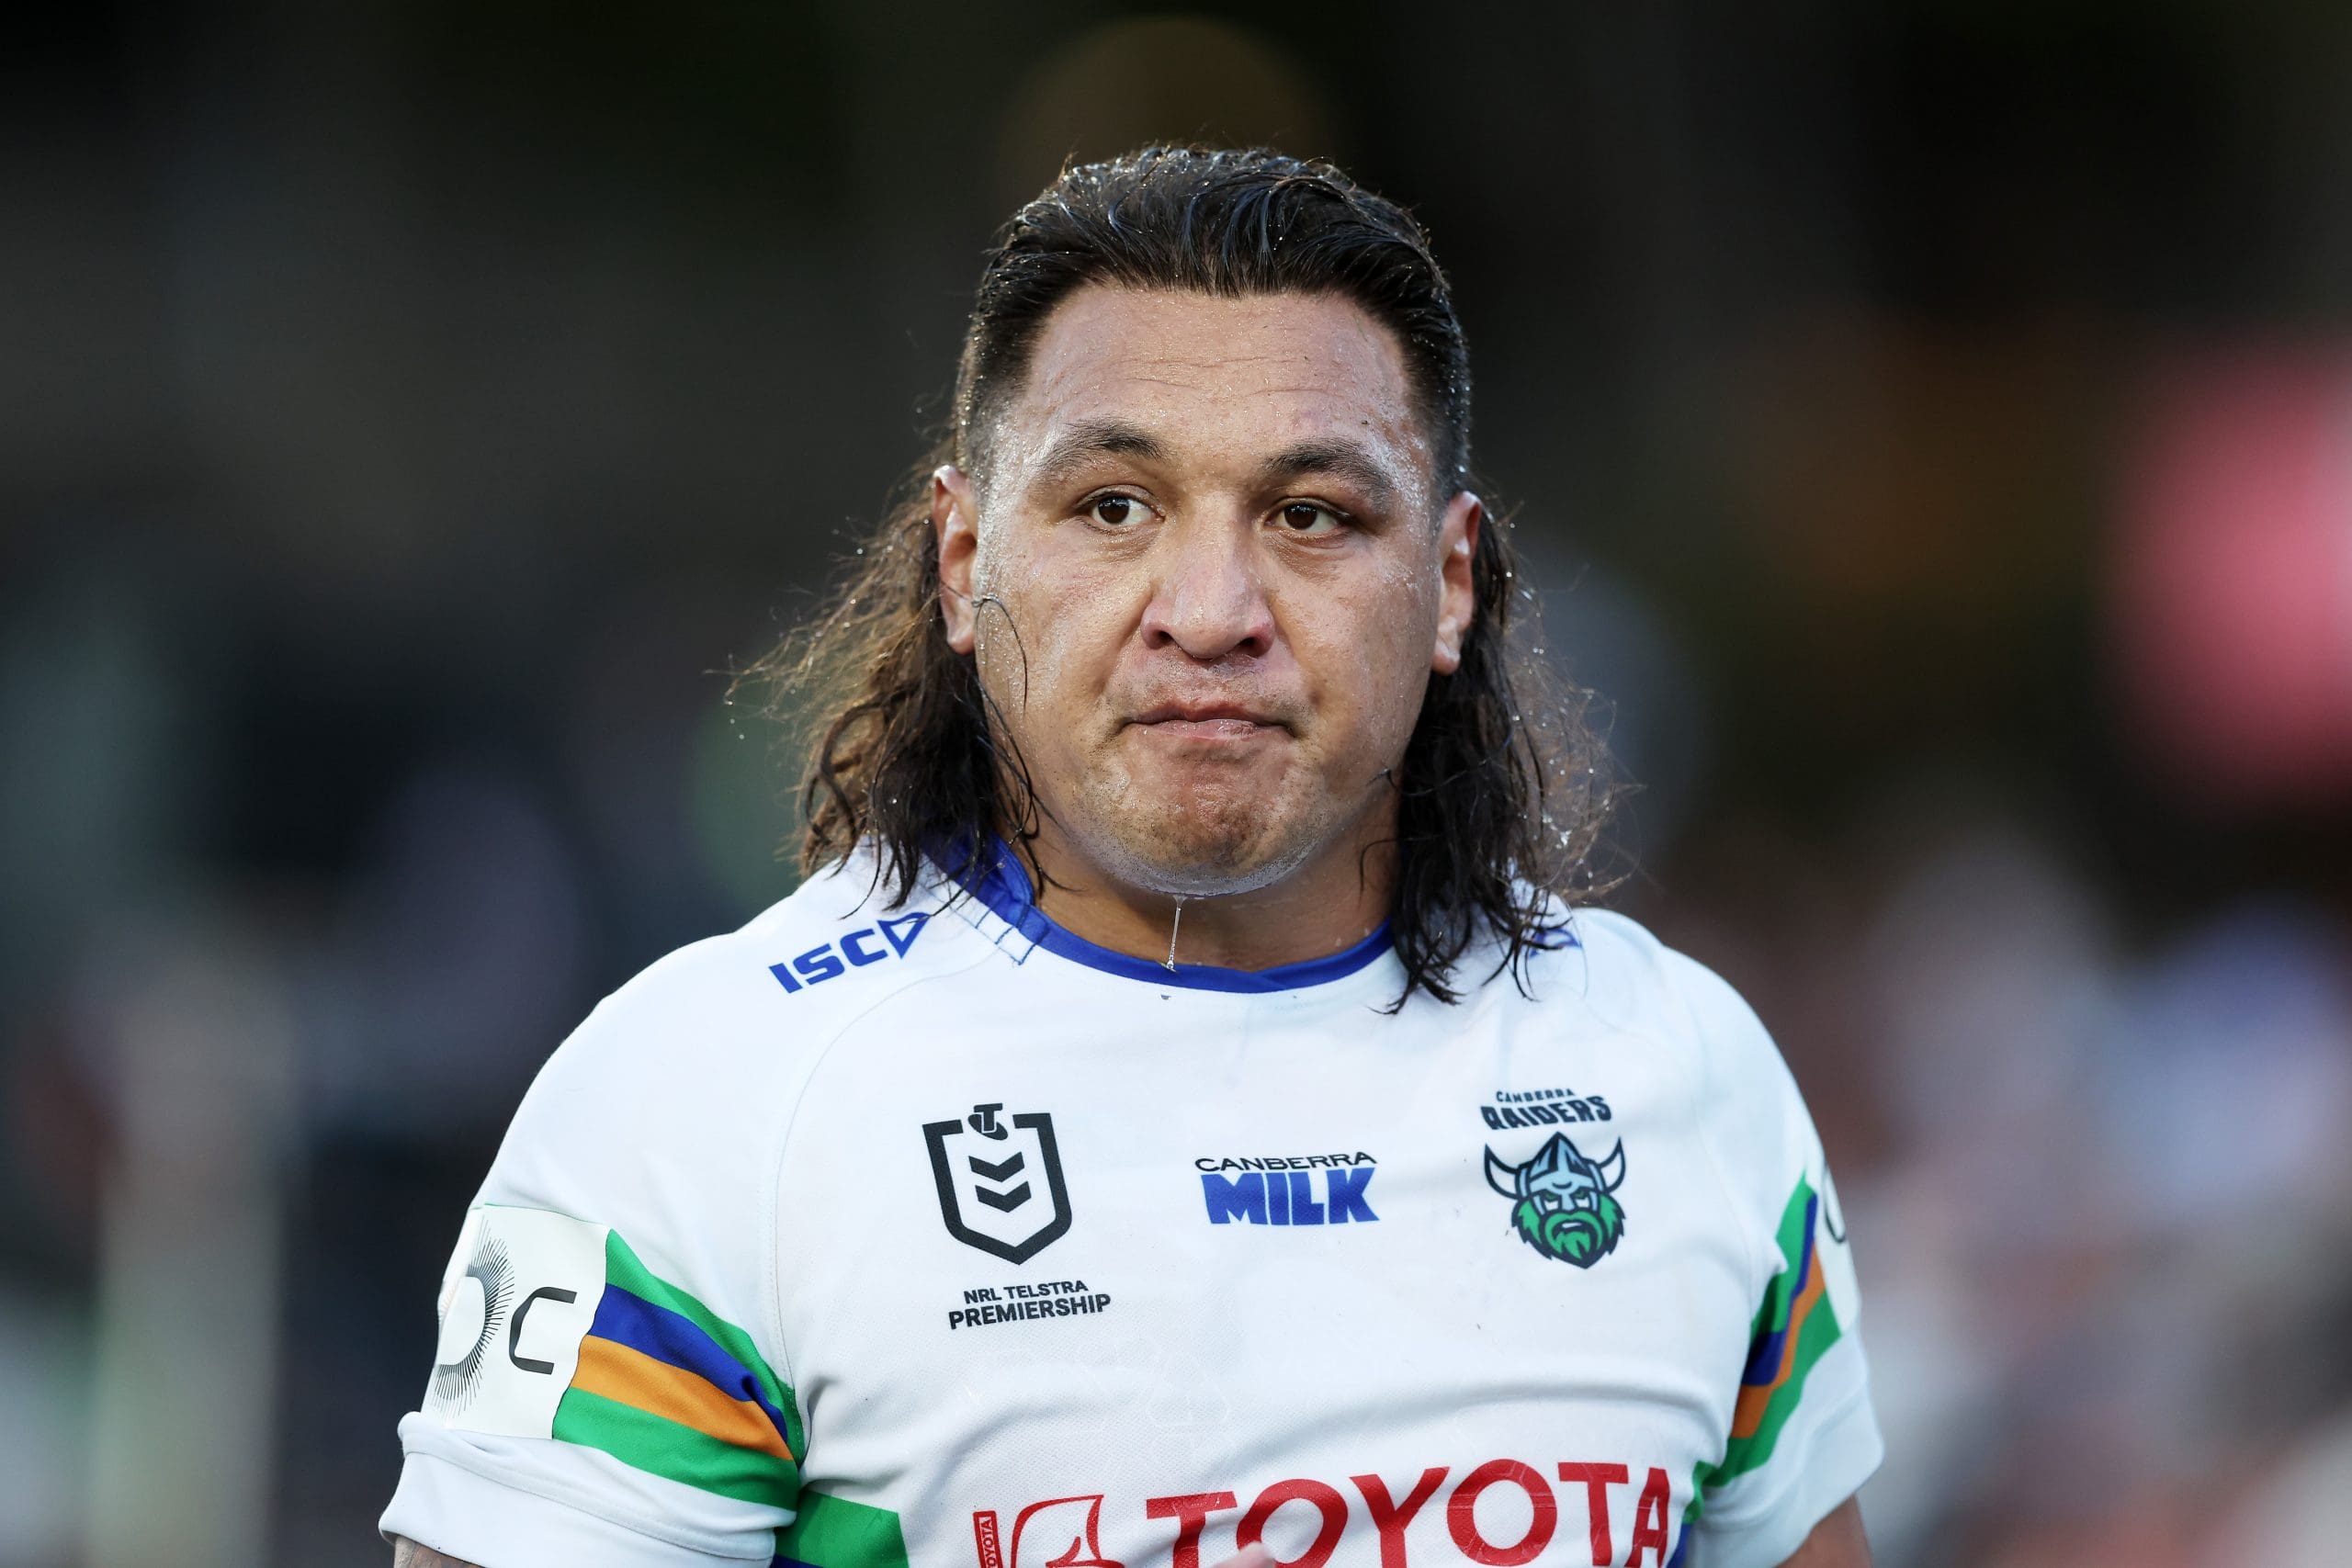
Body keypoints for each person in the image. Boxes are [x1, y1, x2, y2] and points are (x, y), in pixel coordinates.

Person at [381, 147, 1881, 1568]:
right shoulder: (699, 1104)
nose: (1211, 610)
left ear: (1447, 584)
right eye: (1114, 507)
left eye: (1311, 514)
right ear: (965, 564)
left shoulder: (1685, 1074)